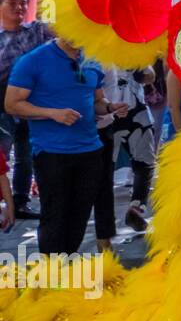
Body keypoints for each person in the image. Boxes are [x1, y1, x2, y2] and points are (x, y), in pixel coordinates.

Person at [5, 36, 112, 254]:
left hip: (91, 150)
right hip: (52, 153)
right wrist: (52, 114)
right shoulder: (33, 60)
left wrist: (111, 107)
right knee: (55, 217)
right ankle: (52, 278)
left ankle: (66, 265)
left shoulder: (92, 59)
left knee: (80, 215)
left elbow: (98, 101)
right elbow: (12, 104)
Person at [0, 0, 54, 220]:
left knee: (26, 155)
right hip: (1, 104)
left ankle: (21, 202)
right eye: (12, 4)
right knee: (2, 153)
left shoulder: (35, 31)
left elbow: (58, 26)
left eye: (23, 4)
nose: (19, 8)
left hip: (32, 103)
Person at [96, 66, 158, 238]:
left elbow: (150, 76)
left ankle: (136, 208)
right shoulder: (94, 51)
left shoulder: (133, 46)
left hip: (132, 109)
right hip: (106, 114)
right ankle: (105, 228)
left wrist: (140, 72)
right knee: (104, 172)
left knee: (145, 162)